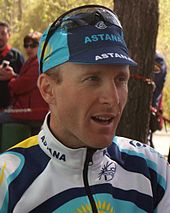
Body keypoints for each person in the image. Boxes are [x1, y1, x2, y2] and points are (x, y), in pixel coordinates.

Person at [0, 5, 169, 213]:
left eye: (121, 79)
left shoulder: (153, 170)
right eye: (93, 79)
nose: (113, 98)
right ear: (48, 89)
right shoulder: (8, 180)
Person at [0, 31, 48, 133]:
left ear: (41, 46)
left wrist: (11, 78)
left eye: (33, 45)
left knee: (3, 116)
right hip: (30, 110)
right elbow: (27, 81)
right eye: (26, 46)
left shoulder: (37, 63)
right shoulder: (32, 61)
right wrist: (14, 76)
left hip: (34, 112)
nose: (29, 49)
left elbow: (19, 86)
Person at [0, 21, 24, 109]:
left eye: (3, 33)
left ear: (9, 35)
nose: (0, 37)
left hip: (11, 106)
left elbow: (25, 80)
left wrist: (12, 76)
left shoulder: (17, 56)